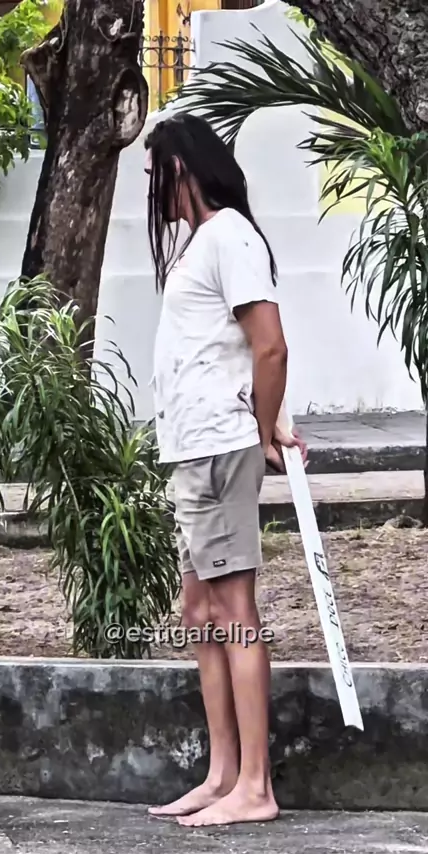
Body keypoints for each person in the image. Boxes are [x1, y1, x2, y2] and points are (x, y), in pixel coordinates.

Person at [143, 112, 308, 828]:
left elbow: (270, 347)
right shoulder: (202, 242)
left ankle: (256, 787)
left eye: (154, 171)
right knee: (199, 613)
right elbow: (232, 350)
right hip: (194, 448)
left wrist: (263, 430)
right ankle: (221, 774)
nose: (150, 185)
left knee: (234, 613)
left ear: (181, 168)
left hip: (218, 447)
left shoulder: (231, 236)